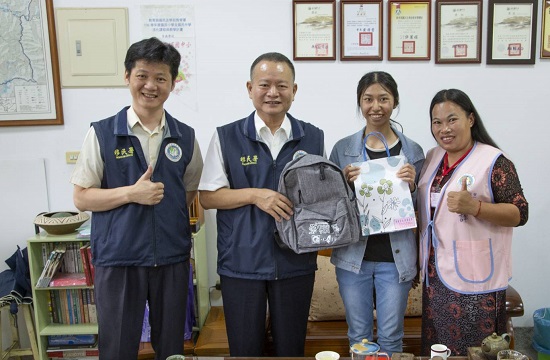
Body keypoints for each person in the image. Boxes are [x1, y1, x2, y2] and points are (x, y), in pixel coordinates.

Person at [70, 37, 203, 360]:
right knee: (117, 347)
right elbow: (82, 198)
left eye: (161, 78)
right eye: (142, 75)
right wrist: (132, 193)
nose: (151, 85)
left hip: (171, 258)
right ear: (127, 76)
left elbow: (187, 192)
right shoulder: (102, 133)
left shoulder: (185, 136)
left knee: (172, 347)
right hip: (119, 260)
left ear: (172, 83)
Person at [198, 52, 325, 356]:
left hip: (295, 261)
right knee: (245, 349)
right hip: (241, 261)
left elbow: (320, 198)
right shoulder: (226, 136)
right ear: (249, 88)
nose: (273, 93)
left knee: (291, 348)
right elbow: (208, 196)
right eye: (264, 84)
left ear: (294, 91)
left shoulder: (313, 137)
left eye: (282, 86)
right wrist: (256, 195)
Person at [417, 89, 529, 355]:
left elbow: (520, 213)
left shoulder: (494, 161)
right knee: (437, 348)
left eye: (452, 119)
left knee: (473, 350)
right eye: (437, 122)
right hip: (435, 274)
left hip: (476, 280)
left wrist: (476, 207)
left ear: (470, 119)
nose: (444, 128)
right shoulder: (433, 157)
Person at [329, 71, 425, 354]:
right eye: (368, 99)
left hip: (396, 260)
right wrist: (344, 184)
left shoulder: (413, 151)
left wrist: (413, 184)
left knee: (391, 336)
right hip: (353, 258)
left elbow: (421, 208)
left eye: (383, 98)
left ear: (394, 101)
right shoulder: (343, 149)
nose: (376, 106)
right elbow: (331, 205)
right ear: (360, 103)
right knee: (358, 336)